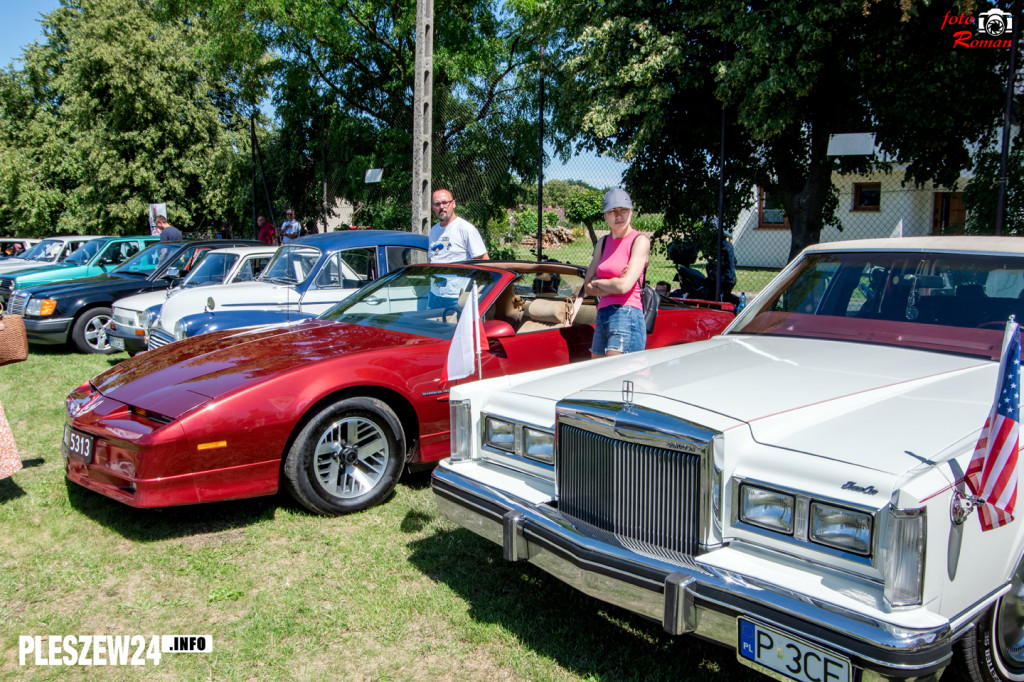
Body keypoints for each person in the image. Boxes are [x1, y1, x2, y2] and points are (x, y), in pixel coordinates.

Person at [583, 188, 650, 358]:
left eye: (623, 210)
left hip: (627, 313)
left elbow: (624, 286)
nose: (618, 216)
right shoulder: (603, 243)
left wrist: (599, 282)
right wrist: (614, 282)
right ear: (605, 216)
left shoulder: (639, 241)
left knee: (617, 375)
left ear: (631, 212)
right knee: (597, 372)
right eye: (613, 211)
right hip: (603, 313)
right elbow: (587, 286)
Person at [427, 188, 489, 309]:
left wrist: (476, 293)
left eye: (445, 203)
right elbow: (432, 260)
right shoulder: (434, 231)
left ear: (453, 204)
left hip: (458, 297)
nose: (442, 207)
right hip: (435, 295)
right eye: (437, 204)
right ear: (432, 207)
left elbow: (484, 261)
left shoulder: (465, 229)